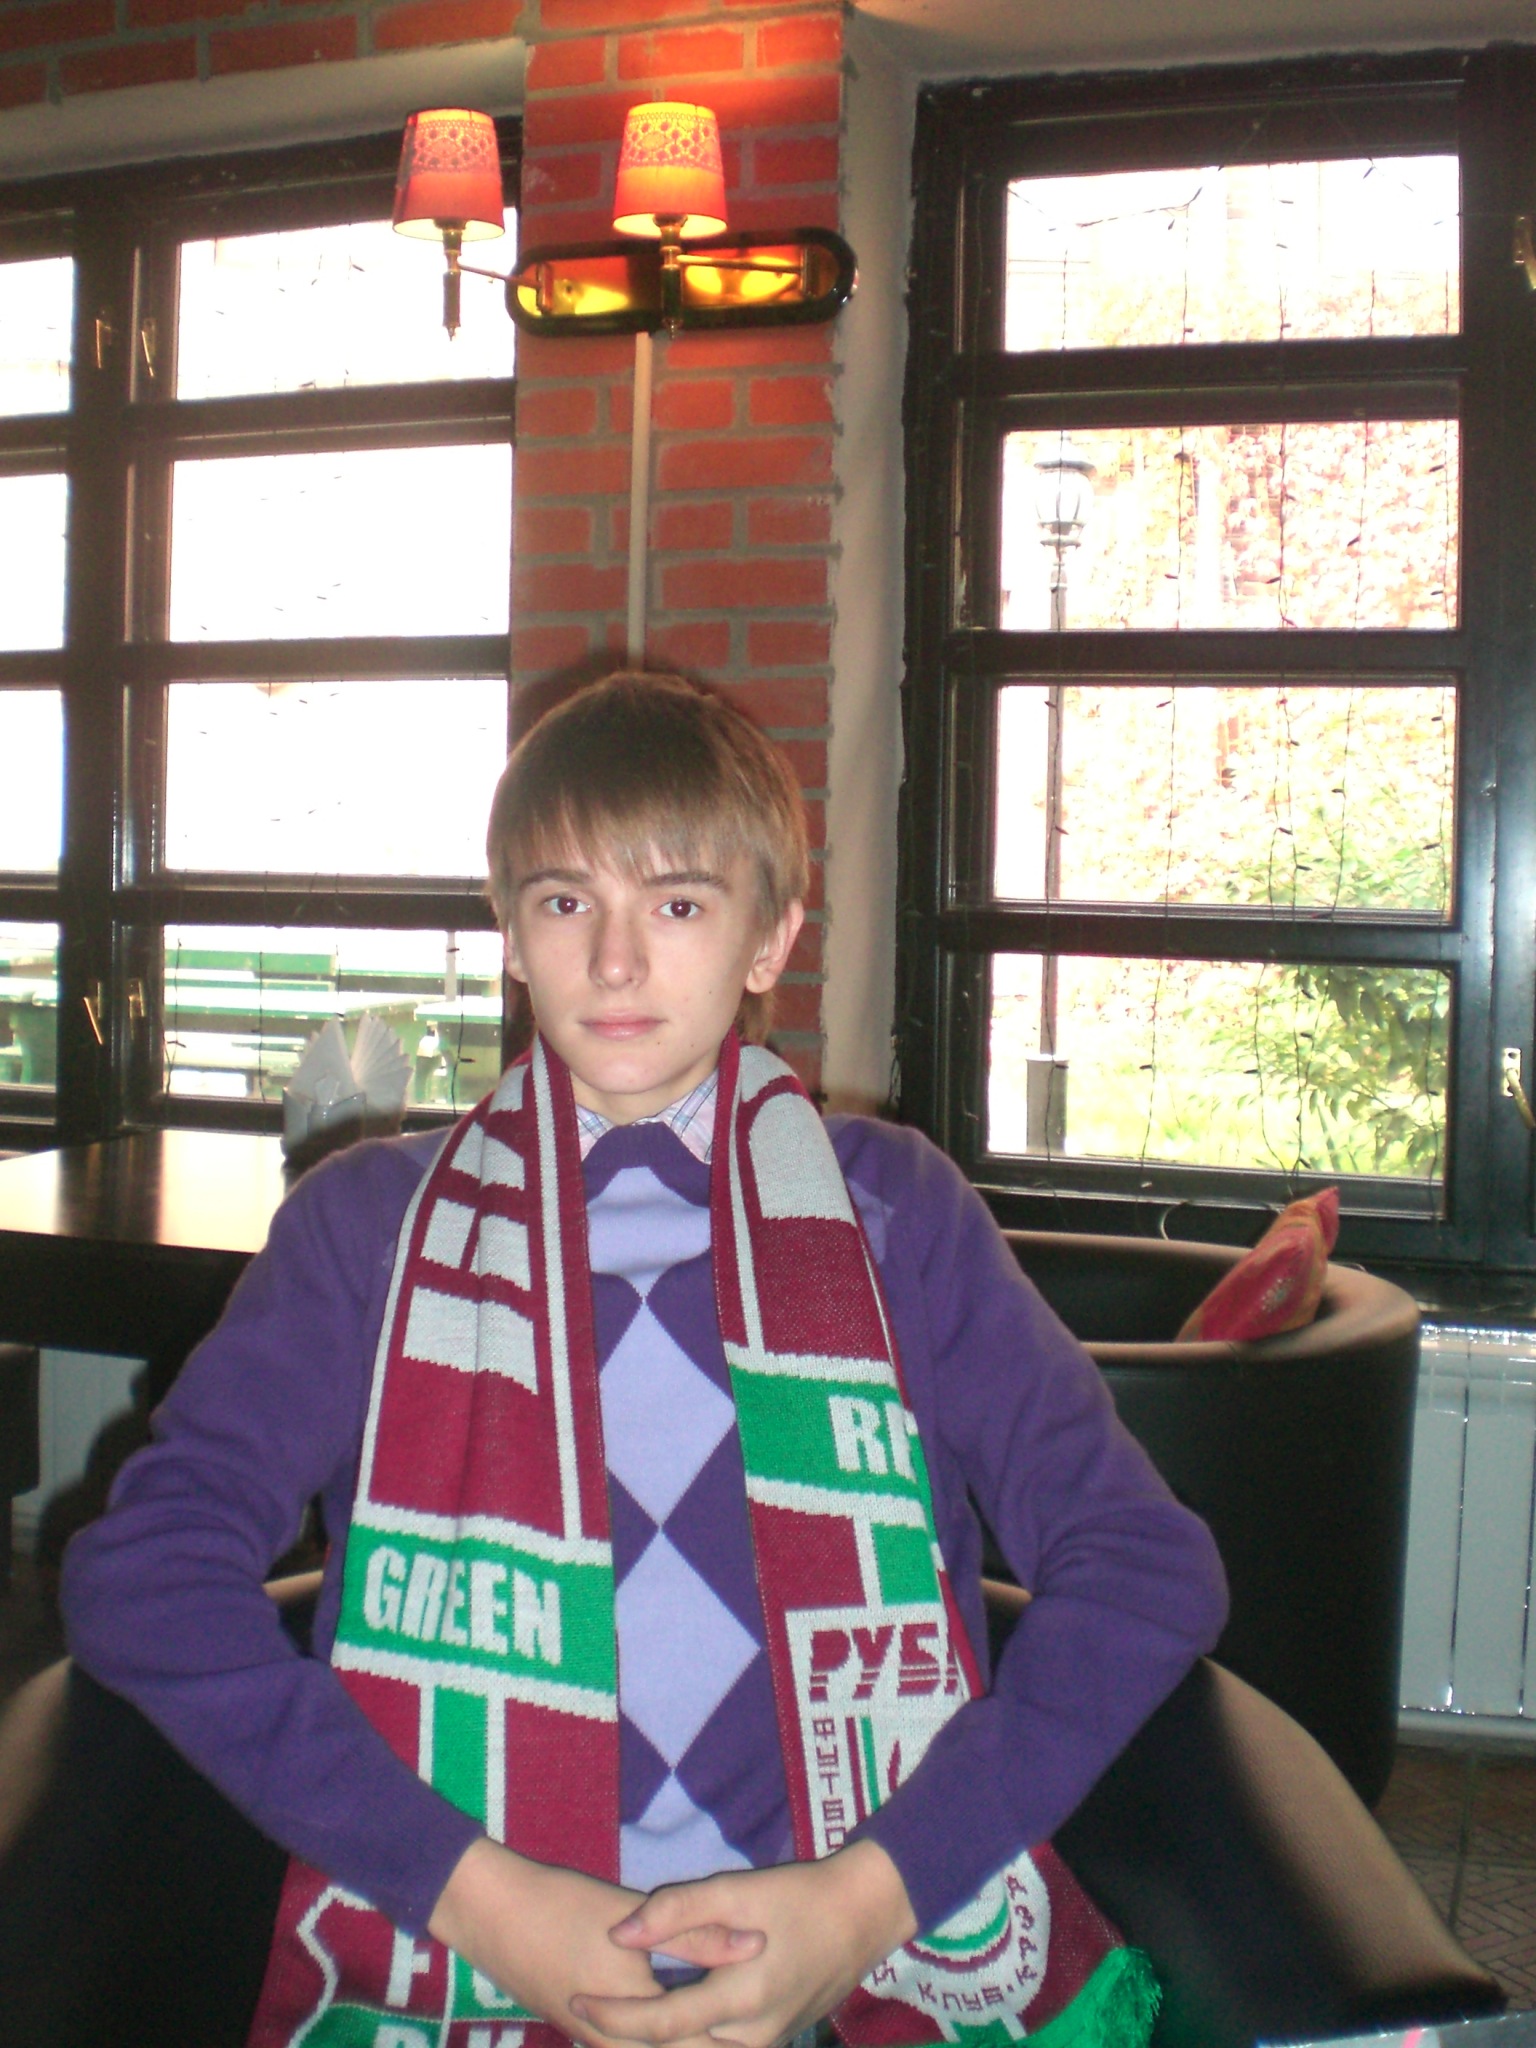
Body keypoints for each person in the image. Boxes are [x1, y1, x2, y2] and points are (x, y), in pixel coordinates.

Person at [63, 672, 1227, 2048]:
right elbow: (144, 1577)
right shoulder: (365, 1231)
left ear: (768, 937)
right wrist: (484, 1900)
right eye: (566, 902)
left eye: (676, 905)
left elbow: (1146, 1569)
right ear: (510, 933)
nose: (615, 963)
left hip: (860, 1971)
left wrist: (868, 1901)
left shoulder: (896, 1217)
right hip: (467, 1963)